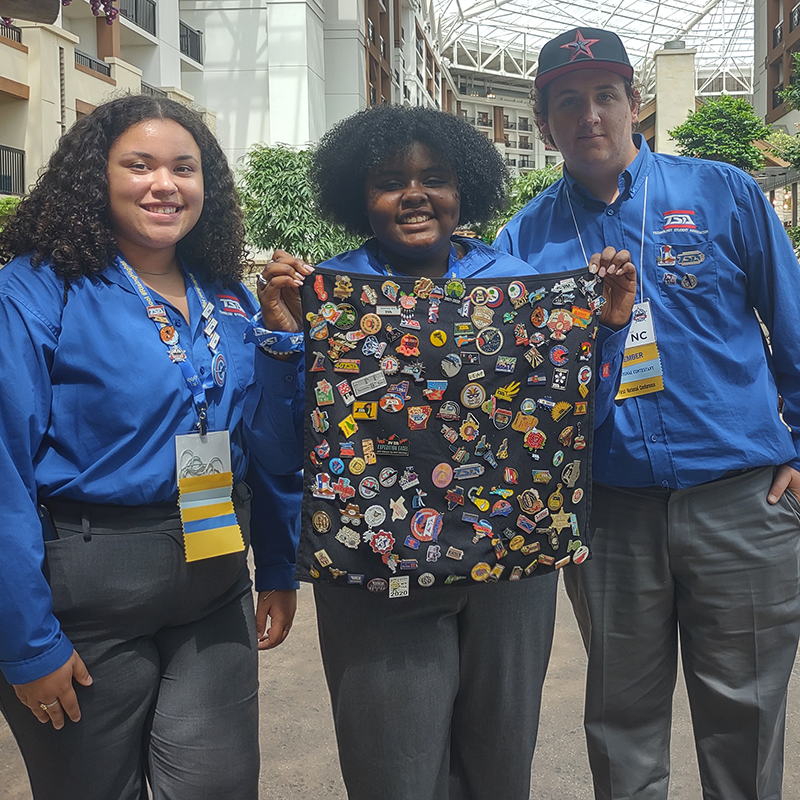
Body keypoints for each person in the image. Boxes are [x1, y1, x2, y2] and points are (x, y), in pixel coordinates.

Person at [252, 103, 636, 800]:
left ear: (465, 189)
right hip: (375, 571)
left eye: (435, 178)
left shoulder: (515, 285)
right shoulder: (323, 295)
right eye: (390, 181)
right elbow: (280, 452)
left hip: (511, 569)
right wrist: (282, 341)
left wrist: (604, 331)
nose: (415, 194)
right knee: (394, 774)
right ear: (358, 195)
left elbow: (576, 423)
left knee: (500, 768)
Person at [494, 26, 800, 800]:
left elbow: (792, 323)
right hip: (611, 514)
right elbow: (526, 391)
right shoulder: (523, 242)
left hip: (742, 502)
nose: (590, 115)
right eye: (569, 103)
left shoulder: (722, 193)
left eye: (605, 95)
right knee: (621, 722)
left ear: (635, 103)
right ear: (546, 125)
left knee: (746, 718)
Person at [0, 94, 300, 800]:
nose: (164, 184)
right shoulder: (37, 288)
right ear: (95, 177)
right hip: (84, 588)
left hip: (214, 572)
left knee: (219, 785)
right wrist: (25, 641)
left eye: (183, 169)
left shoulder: (229, 295)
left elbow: (266, 444)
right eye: (139, 165)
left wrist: (279, 563)